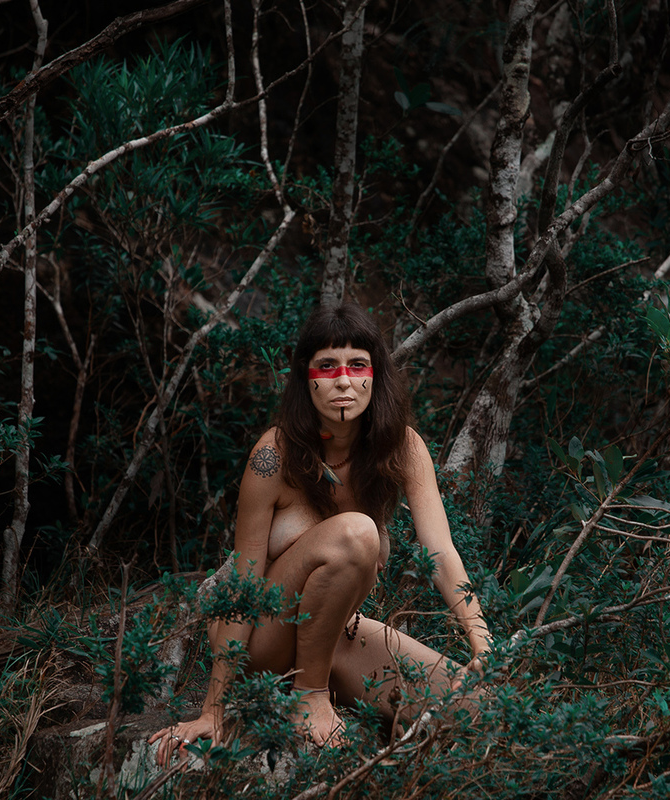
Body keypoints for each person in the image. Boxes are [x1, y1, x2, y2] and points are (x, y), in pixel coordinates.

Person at [150, 303, 491, 763]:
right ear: (306, 379)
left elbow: (443, 552)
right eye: (326, 366)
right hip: (262, 645)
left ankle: (319, 683)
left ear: (376, 374)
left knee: (481, 712)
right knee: (356, 534)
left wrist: (481, 639)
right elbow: (245, 583)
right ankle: (308, 697)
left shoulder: (403, 448)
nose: (343, 381)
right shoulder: (274, 455)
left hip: (333, 639)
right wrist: (213, 709)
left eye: (357, 365)